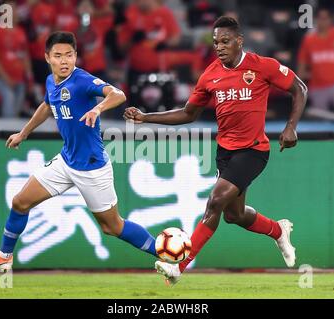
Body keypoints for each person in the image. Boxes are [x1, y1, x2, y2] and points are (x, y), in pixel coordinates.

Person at [124, 16, 308, 285]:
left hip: (254, 150)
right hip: (225, 151)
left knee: (215, 202)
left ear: (239, 41)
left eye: (225, 41)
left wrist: (291, 127)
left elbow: (299, 88)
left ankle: (178, 268)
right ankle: (278, 229)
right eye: (215, 42)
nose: (219, 47)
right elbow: (188, 114)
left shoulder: (262, 66)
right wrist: (145, 117)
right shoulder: (210, 75)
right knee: (234, 215)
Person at [0, 31, 157, 270]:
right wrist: (24, 133)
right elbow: (47, 106)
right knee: (20, 202)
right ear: (47, 57)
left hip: (91, 166)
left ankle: (164, 253)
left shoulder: (82, 81)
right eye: (58, 56)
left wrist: (97, 109)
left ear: (76, 56)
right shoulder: (52, 82)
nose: (64, 61)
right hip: (66, 161)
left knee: (113, 227)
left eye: (69, 55)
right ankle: (4, 255)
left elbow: (118, 94)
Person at [297, 8, 334, 117]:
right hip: (317, 86)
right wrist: (299, 86)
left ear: (330, 20)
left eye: (325, 19)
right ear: (316, 20)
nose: (323, 22)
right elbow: (302, 63)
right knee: (320, 116)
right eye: (320, 19)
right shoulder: (308, 40)